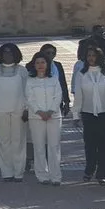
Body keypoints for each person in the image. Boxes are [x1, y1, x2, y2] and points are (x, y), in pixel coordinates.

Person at [73, 46, 105, 186]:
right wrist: (76, 114)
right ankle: (89, 169)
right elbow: (79, 95)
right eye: (89, 56)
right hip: (88, 113)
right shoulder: (81, 74)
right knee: (90, 144)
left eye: (93, 55)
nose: (91, 58)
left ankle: (102, 174)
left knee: (104, 145)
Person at [0, 43, 29, 182]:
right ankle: (7, 172)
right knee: (3, 141)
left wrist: (27, 109)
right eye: (5, 53)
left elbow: (27, 91)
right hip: (0, 110)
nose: (7, 55)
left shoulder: (22, 71)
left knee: (18, 141)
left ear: (15, 54)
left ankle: (19, 172)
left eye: (10, 53)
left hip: (19, 110)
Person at [25, 53, 63, 186]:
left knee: (54, 146)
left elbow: (58, 96)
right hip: (36, 118)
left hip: (54, 116)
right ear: (34, 65)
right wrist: (40, 112)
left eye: (43, 62)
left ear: (47, 64)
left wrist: (51, 111)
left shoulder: (54, 80)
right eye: (37, 63)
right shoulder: (30, 81)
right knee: (39, 147)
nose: (40, 65)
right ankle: (42, 175)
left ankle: (56, 175)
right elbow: (30, 99)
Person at [40, 44, 71, 116]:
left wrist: (66, 101)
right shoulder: (35, 65)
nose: (50, 55)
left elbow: (63, 83)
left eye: (53, 53)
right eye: (48, 53)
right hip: (41, 102)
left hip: (57, 101)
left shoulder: (58, 65)